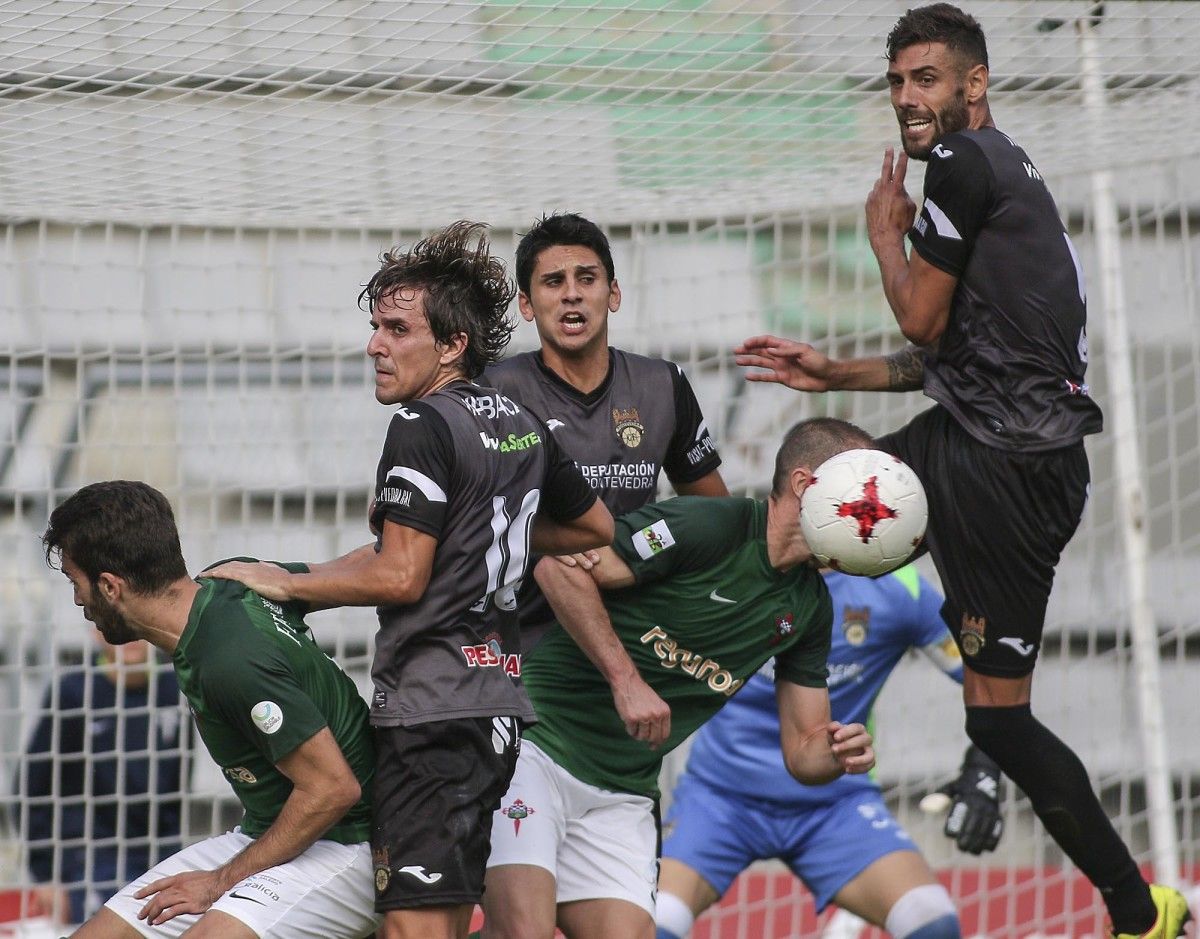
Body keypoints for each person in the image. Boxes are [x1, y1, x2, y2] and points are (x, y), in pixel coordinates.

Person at [734, 6, 1190, 938]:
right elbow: (966, 349)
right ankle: (1141, 911)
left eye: (928, 79)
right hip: (1009, 452)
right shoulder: (1003, 166)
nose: (908, 97)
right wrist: (837, 371)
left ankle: (678, 647)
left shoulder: (960, 164)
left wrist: (881, 236)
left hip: (999, 468)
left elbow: (921, 324)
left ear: (973, 84)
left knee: (799, 523)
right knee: (993, 717)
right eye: (899, 80)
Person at [205, 220, 614, 939]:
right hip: (491, 707)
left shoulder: (422, 424)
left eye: (396, 328)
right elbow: (593, 528)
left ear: (452, 343)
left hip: (434, 711)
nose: (375, 345)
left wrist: (289, 581)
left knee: (412, 932)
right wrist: (475, 529)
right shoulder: (520, 418)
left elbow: (399, 573)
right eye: (375, 327)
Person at [481, 417, 878, 939]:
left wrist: (838, 754)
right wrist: (625, 680)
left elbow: (804, 750)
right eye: (860, 488)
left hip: (622, 792)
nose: (873, 509)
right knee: (521, 933)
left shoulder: (809, 608)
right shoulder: (711, 527)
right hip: (535, 748)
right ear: (805, 485)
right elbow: (560, 567)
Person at [42, 480, 381, 939]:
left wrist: (218, 884)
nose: (78, 599)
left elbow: (334, 790)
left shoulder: (228, 661)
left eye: (75, 582)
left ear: (110, 586)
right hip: (271, 834)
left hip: (349, 844)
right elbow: (349, 566)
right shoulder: (227, 582)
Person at [655, 566, 1003, 939]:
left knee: (932, 923)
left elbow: (994, 681)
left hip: (836, 806)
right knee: (650, 925)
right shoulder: (729, 564)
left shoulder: (899, 588)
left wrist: (985, 767)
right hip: (719, 801)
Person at [485, 212, 728, 651]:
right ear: (526, 304)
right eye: (553, 282)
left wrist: (660, 555)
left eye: (587, 278)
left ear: (613, 293)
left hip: (640, 639)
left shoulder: (661, 385)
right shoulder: (494, 393)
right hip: (523, 647)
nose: (572, 294)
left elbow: (714, 514)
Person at [15, 634, 184, 927]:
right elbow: (33, 784)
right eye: (123, 628)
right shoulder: (74, 691)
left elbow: (177, 783)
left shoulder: (173, 689)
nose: (130, 639)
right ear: (99, 631)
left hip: (154, 854)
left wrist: (172, 858)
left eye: (137, 629)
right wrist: (45, 875)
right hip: (88, 858)